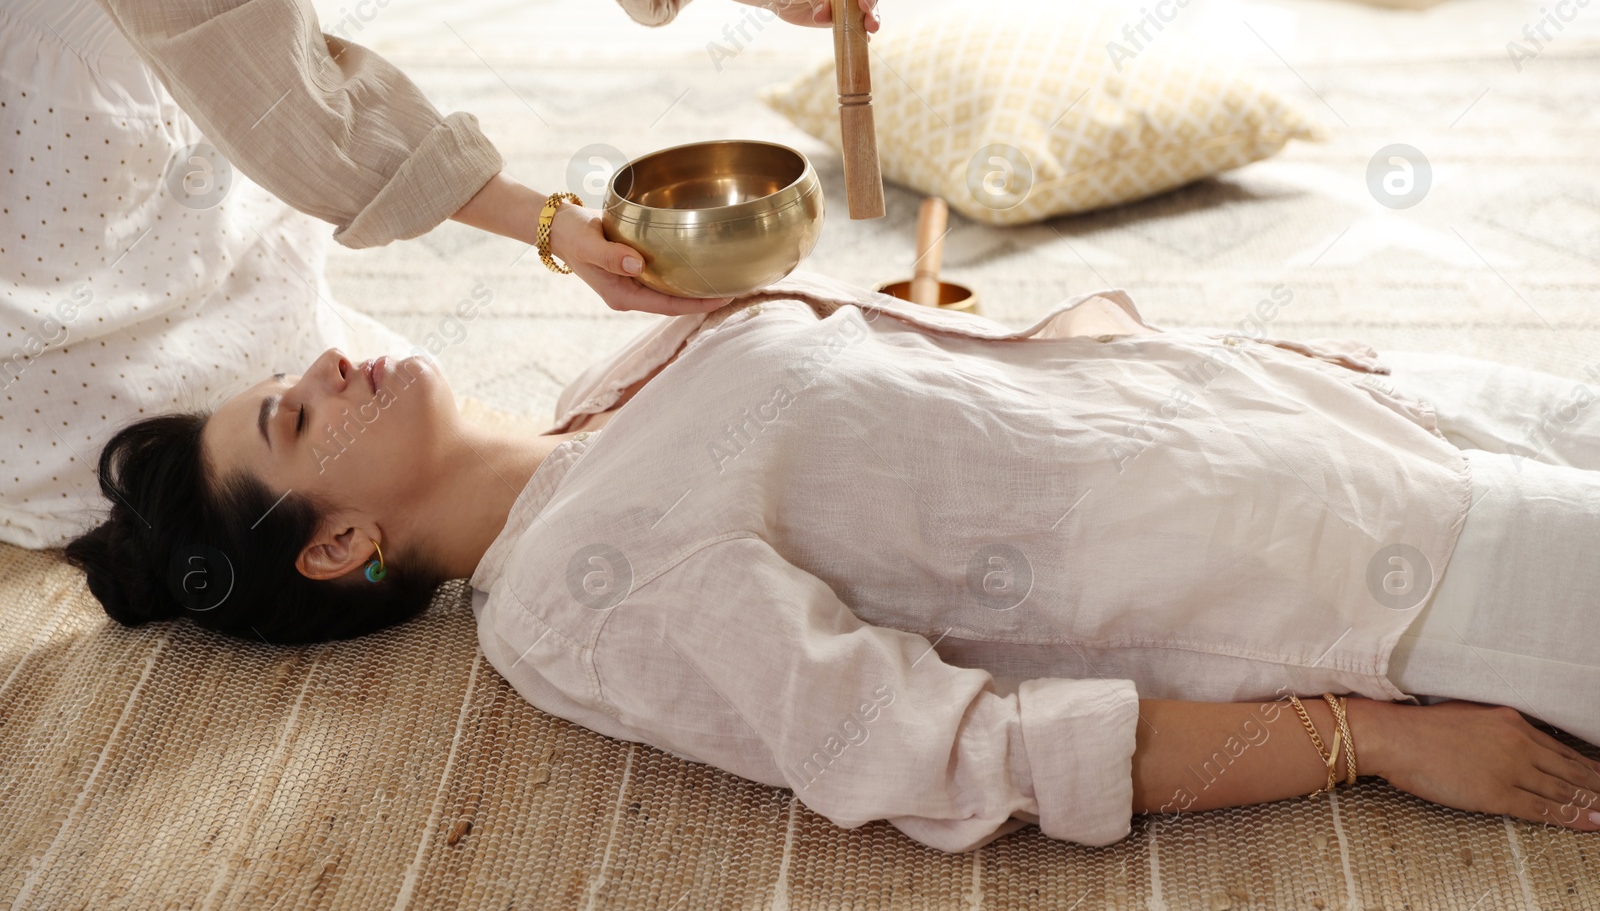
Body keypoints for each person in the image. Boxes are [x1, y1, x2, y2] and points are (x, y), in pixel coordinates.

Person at [58, 268, 1600, 854]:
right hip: (1392, 571)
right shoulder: (573, 600)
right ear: (337, 543)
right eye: (293, 410)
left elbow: (948, 428)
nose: (330, 358)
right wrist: (1369, 744)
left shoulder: (617, 387)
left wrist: (1089, 344)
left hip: (1369, 404)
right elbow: (931, 747)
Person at [0, 0, 881, 548]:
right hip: (56, 82)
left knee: (259, 357)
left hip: (200, 47)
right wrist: (549, 225)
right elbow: (273, 83)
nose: (331, 380)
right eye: (305, 410)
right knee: (115, 450)